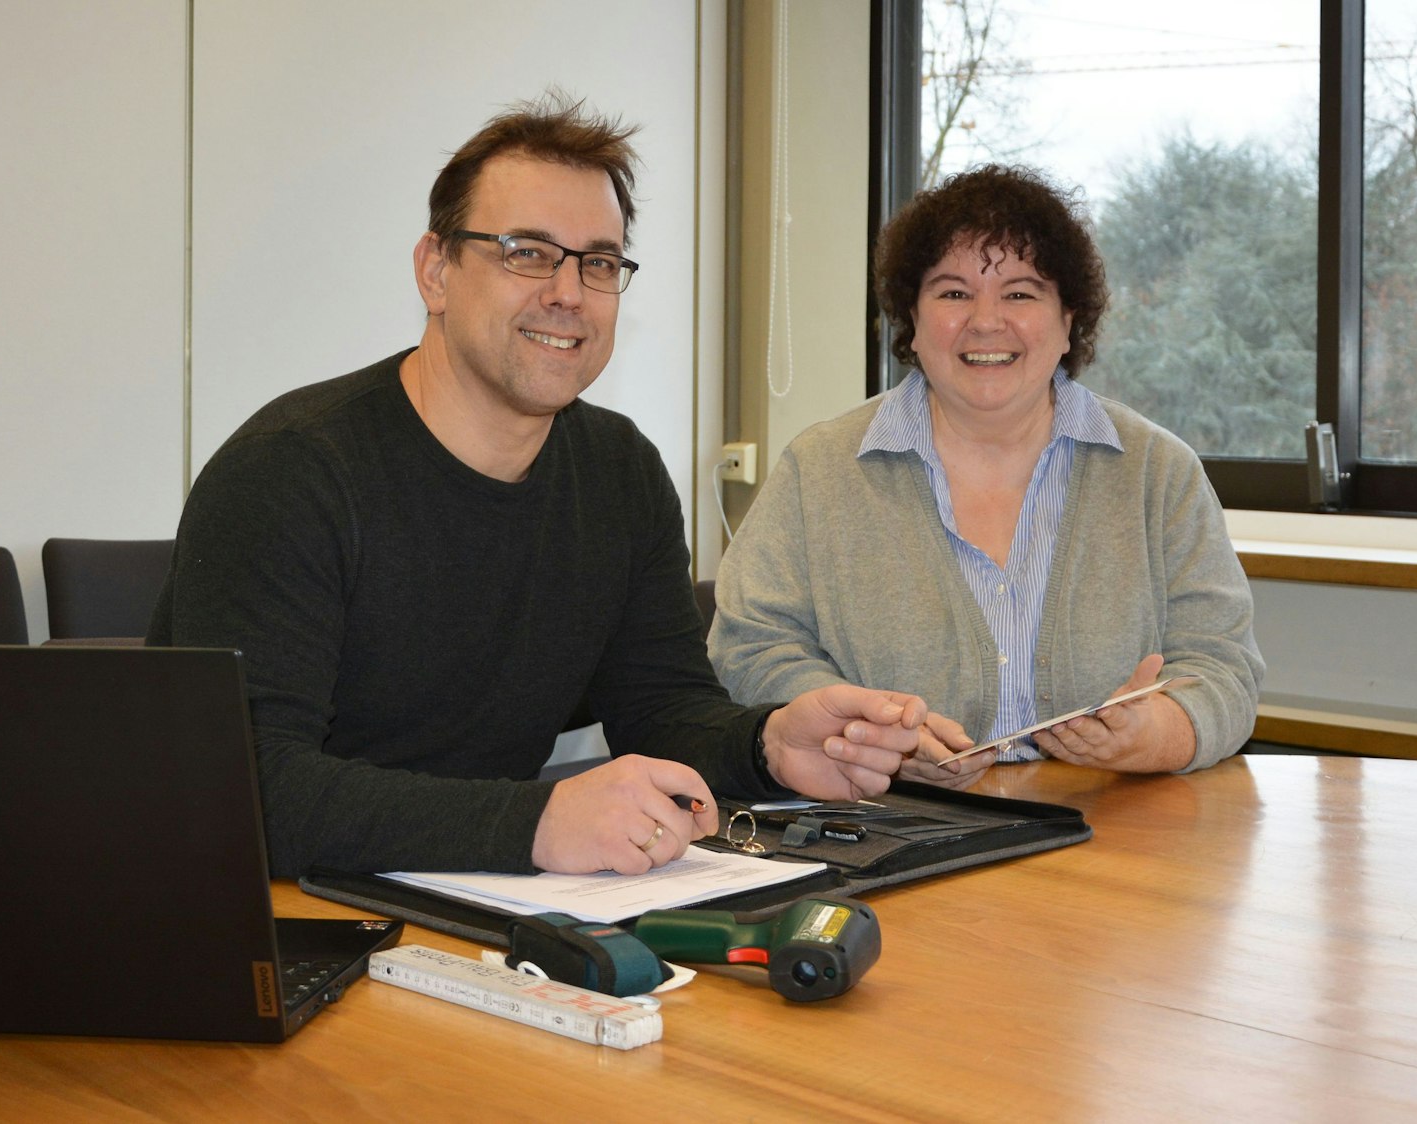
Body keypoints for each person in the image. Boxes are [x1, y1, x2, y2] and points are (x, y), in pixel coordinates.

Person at [149, 96, 931, 878]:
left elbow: (658, 710)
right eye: (526, 251)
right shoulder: (290, 472)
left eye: (597, 262)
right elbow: (247, 790)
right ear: (435, 271)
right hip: (280, 917)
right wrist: (535, 822)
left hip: (476, 902)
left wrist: (768, 745)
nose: (568, 292)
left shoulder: (618, 471)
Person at [709, 164, 1262, 788]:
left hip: (1117, 827)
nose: (986, 321)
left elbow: (1223, 666)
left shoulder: (1158, 473)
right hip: (894, 826)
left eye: (1021, 293)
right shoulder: (820, 471)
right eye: (952, 293)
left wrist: (1157, 732)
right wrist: (866, 731)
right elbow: (750, 646)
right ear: (912, 322)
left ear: (1068, 319)